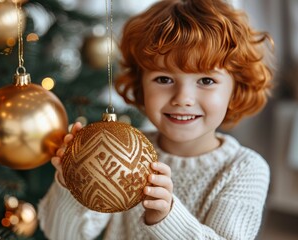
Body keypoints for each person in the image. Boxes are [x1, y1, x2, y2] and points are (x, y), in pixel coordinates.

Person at [38, 0, 275, 239]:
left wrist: (167, 218)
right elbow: (62, 235)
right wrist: (70, 183)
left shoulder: (245, 169)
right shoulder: (122, 155)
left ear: (236, 89)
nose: (183, 99)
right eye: (164, 79)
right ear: (141, 85)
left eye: (206, 81)